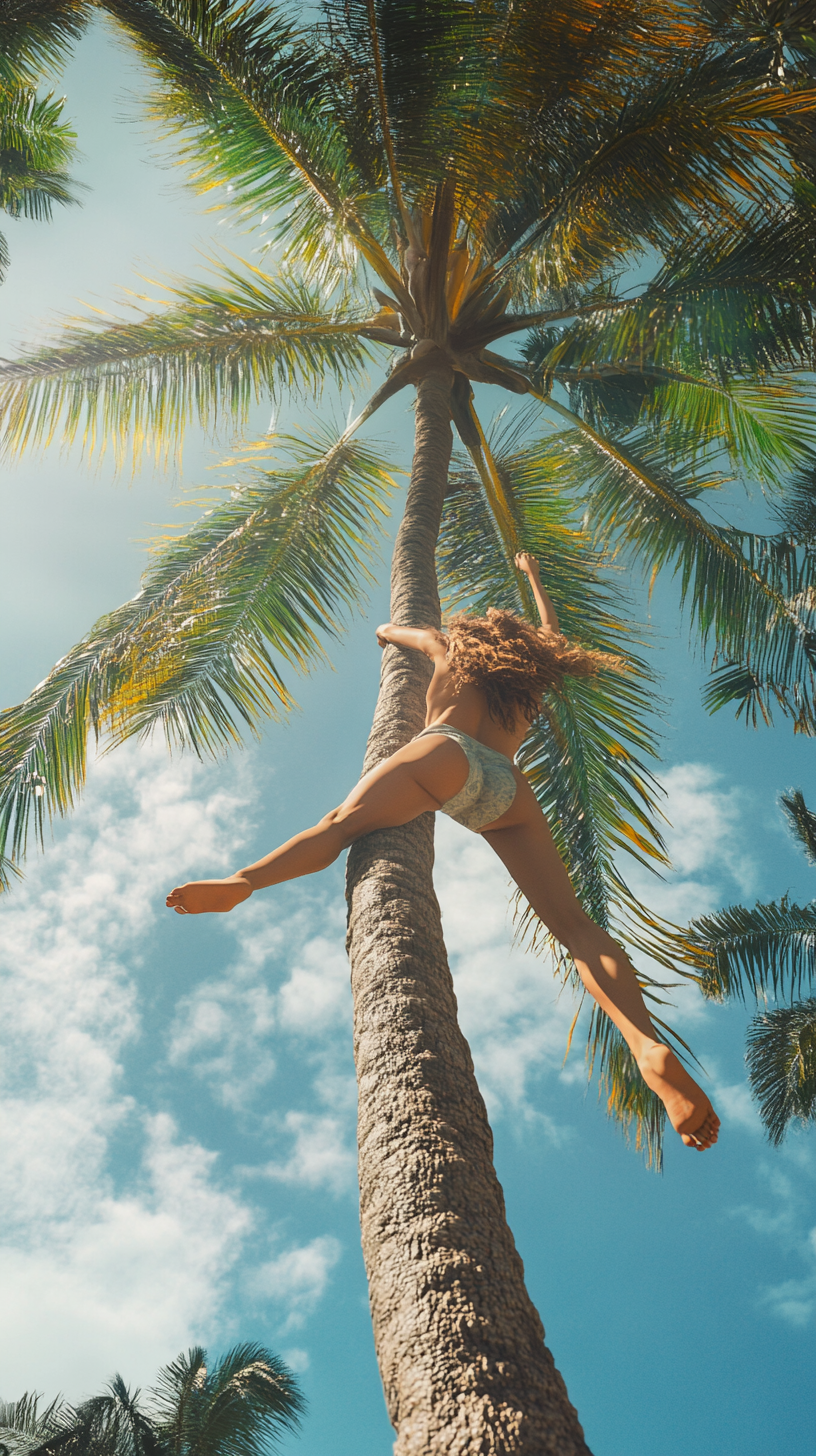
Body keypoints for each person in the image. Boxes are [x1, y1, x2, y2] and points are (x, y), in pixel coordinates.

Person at [166, 552, 719, 1151]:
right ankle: (644, 1044)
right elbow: (553, 636)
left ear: (475, 636)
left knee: (340, 825)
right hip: (508, 788)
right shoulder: (529, 681)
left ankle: (242, 883)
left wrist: (387, 631)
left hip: (444, 753)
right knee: (575, 928)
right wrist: (534, 580)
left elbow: (401, 633)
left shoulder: (449, 647)